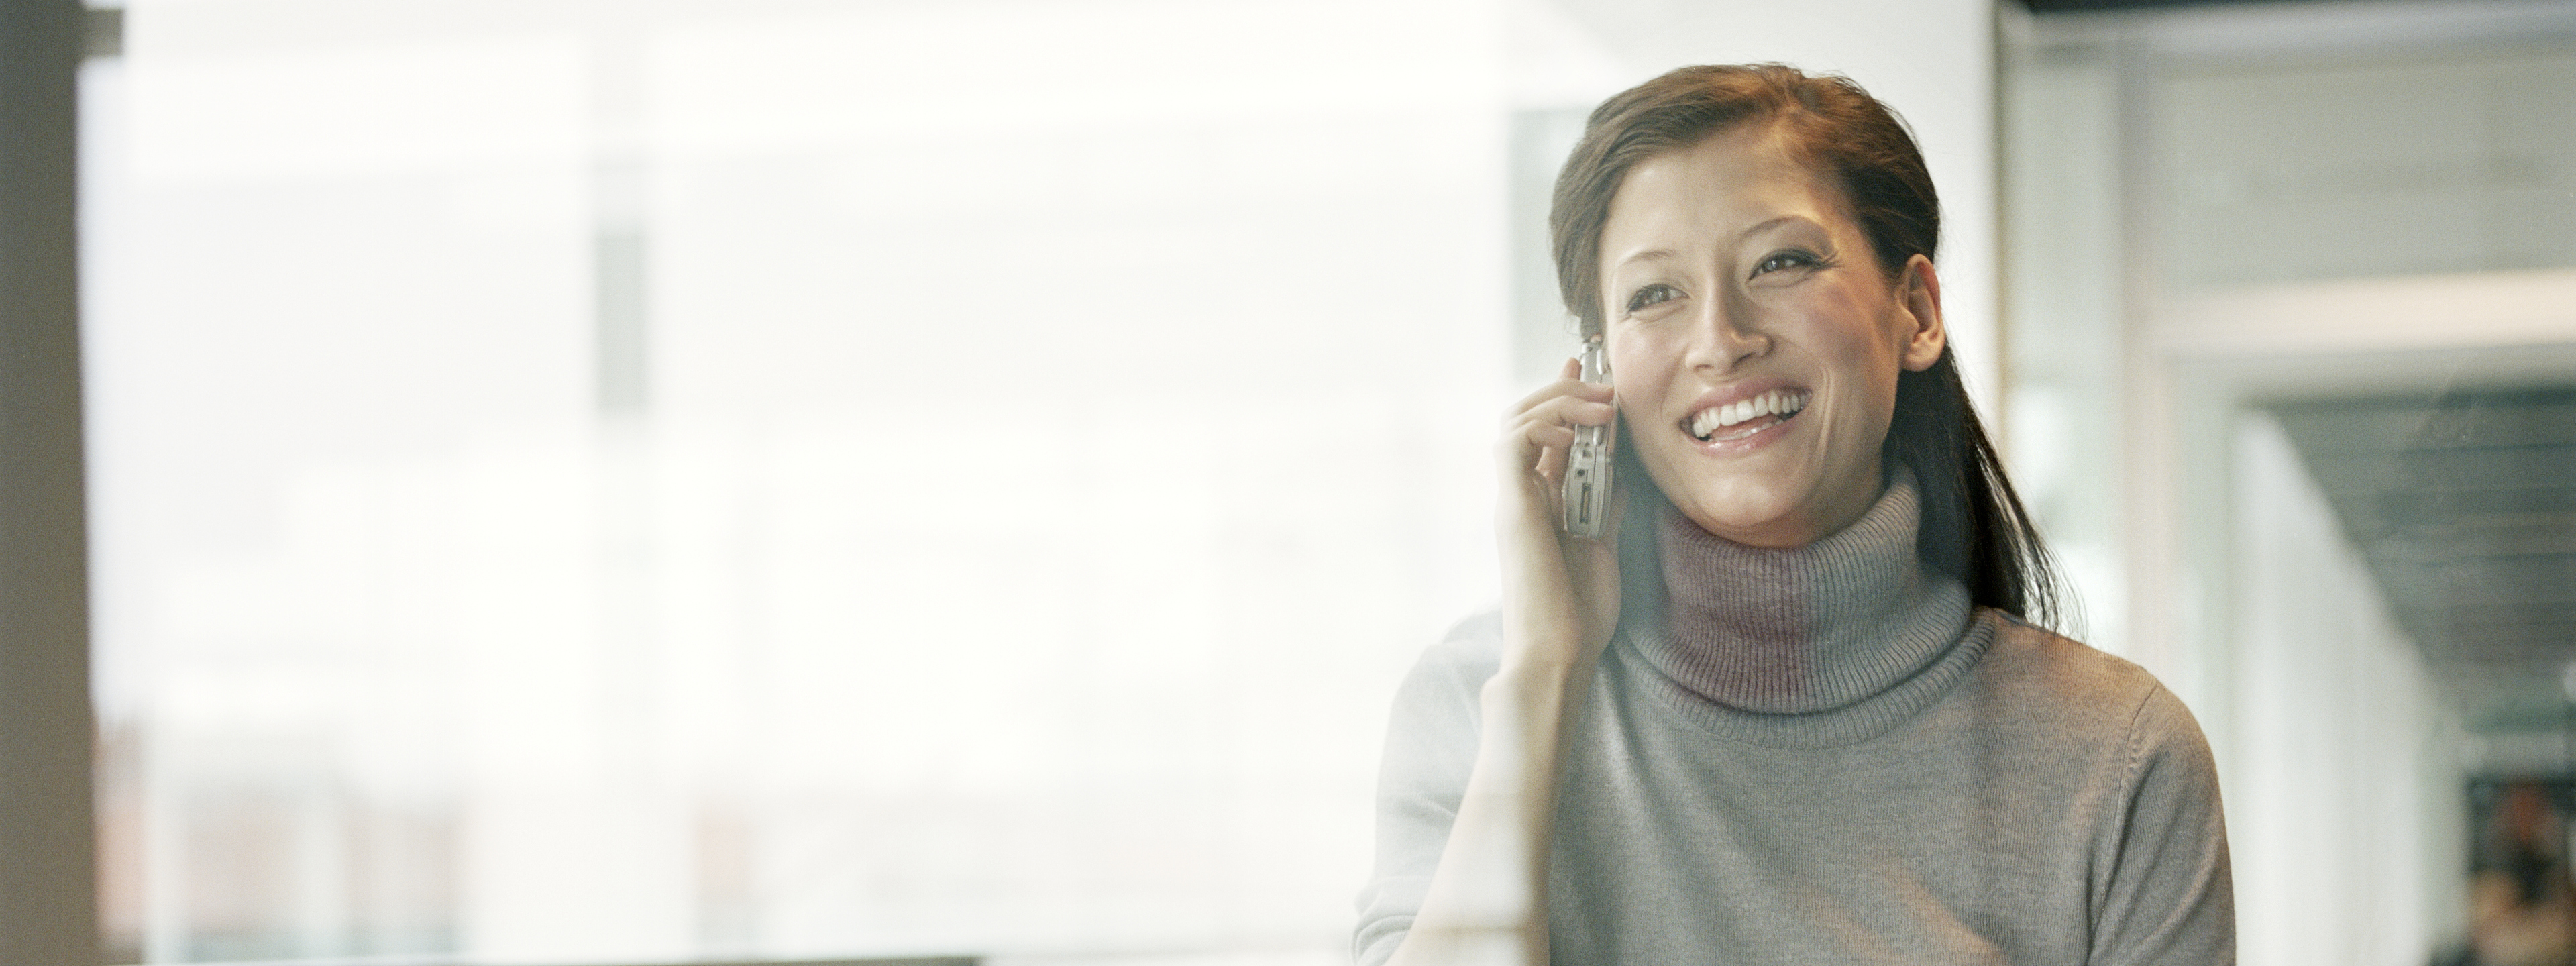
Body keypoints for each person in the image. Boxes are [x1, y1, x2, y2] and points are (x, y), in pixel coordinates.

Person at [1353, 64, 2233, 965]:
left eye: (1781, 263)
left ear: (1918, 311)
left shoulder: (2118, 757)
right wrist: (1545, 676)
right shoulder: (1475, 704)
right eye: (1655, 294)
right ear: (1599, 367)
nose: (1721, 341)